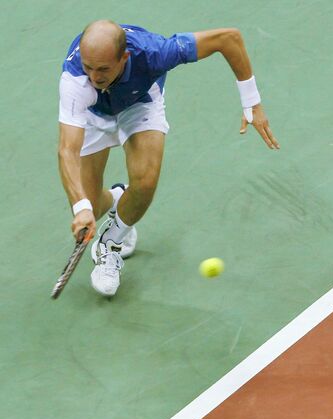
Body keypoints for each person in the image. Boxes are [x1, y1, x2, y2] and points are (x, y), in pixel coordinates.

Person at [58, 20, 279, 297]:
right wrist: (81, 208)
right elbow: (67, 149)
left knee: (146, 181)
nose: (94, 76)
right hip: (93, 113)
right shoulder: (76, 80)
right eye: (89, 66)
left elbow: (228, 38)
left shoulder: (155, 53)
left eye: (103, 69)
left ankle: (110, 243)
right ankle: (119, 199)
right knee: (90, 203)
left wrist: (252, 102)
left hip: (139, 101)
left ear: (124, 58)